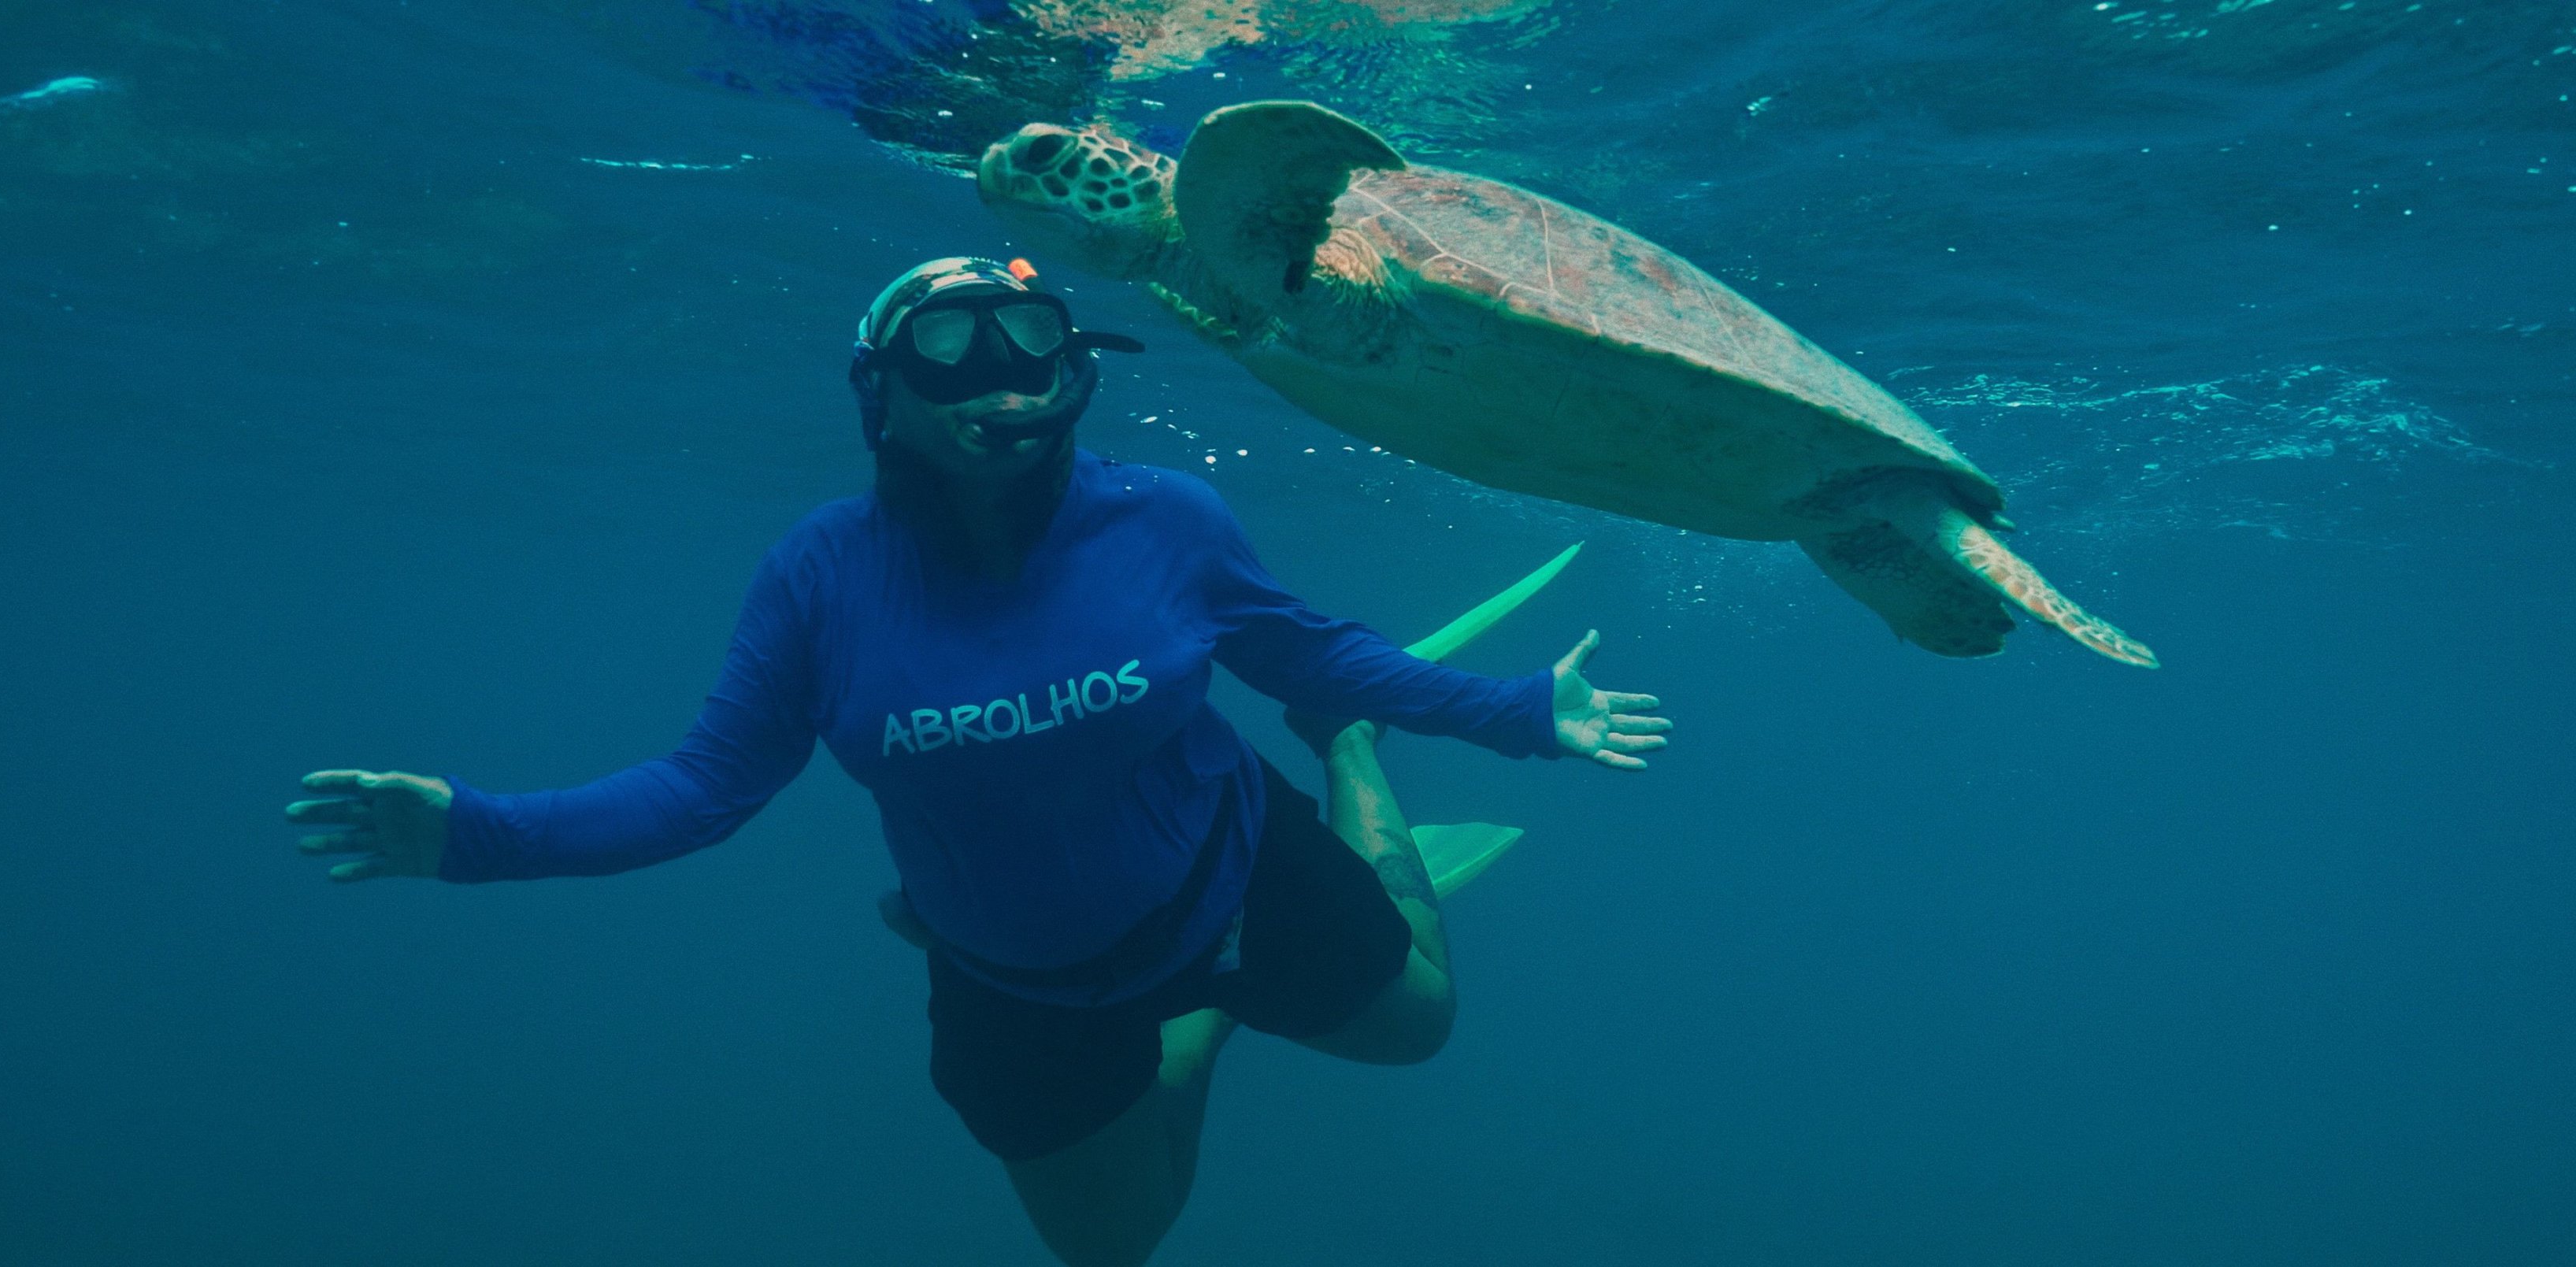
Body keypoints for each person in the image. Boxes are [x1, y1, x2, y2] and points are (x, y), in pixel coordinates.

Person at [284, 257, 1672, 1267]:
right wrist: (474, 833)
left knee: (1419, 1023)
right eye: (948, 347)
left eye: (1026, 335)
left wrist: (1515, 712)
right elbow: (706, 787)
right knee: (1116, 1249)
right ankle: (1205, 1018)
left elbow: (1308, 652)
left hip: (1234, 869)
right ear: (879, 395)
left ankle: (1345, 774)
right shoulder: (820, 579)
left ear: (1073, 368)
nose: (996, 371)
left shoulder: (1166, 521)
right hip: (1022, 982)